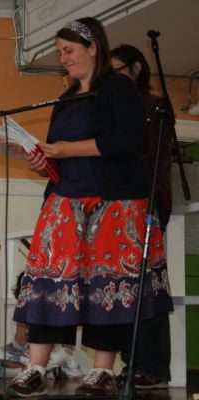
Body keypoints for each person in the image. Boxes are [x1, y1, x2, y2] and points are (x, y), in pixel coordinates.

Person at [9, 17, 172, 397]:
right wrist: (43, 162)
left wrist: (68, 149)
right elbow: (56, 153)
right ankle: (36, 367)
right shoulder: (66, 99)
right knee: (47, 280)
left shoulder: (119, 88)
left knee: (106, 287)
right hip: (64, 200)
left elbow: (128, 139)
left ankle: (102, 371)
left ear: (93, 47)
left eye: (68, 50)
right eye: (60, 52)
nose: (63, 58)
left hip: (113, 203)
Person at [110, 43, 173, 389]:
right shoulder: (116, 107)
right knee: (122, 287)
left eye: (117, 70)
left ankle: (151, 365)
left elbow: (153, 160)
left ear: (136, 68)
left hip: (146, 203)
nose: (112, 78)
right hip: (119, 205)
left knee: (148, 286)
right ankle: (131, 361)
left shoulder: (154, 106)